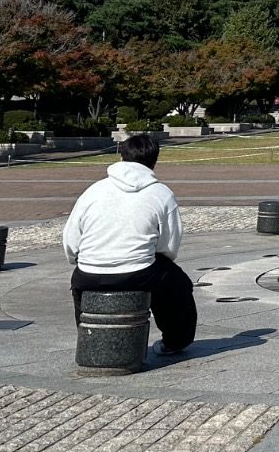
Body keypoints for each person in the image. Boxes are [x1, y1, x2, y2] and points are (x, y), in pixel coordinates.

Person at [62, 132, 196, 355]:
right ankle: (175, 341)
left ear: (121, 156)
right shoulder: (161, 193)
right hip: (138, 272)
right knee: (177, 285)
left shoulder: (93, 191)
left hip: (89, 273)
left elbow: (71, 239)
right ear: (154, 160)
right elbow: (169, 246)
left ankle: (91, 340)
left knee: (79, 283)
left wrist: (81, 259)